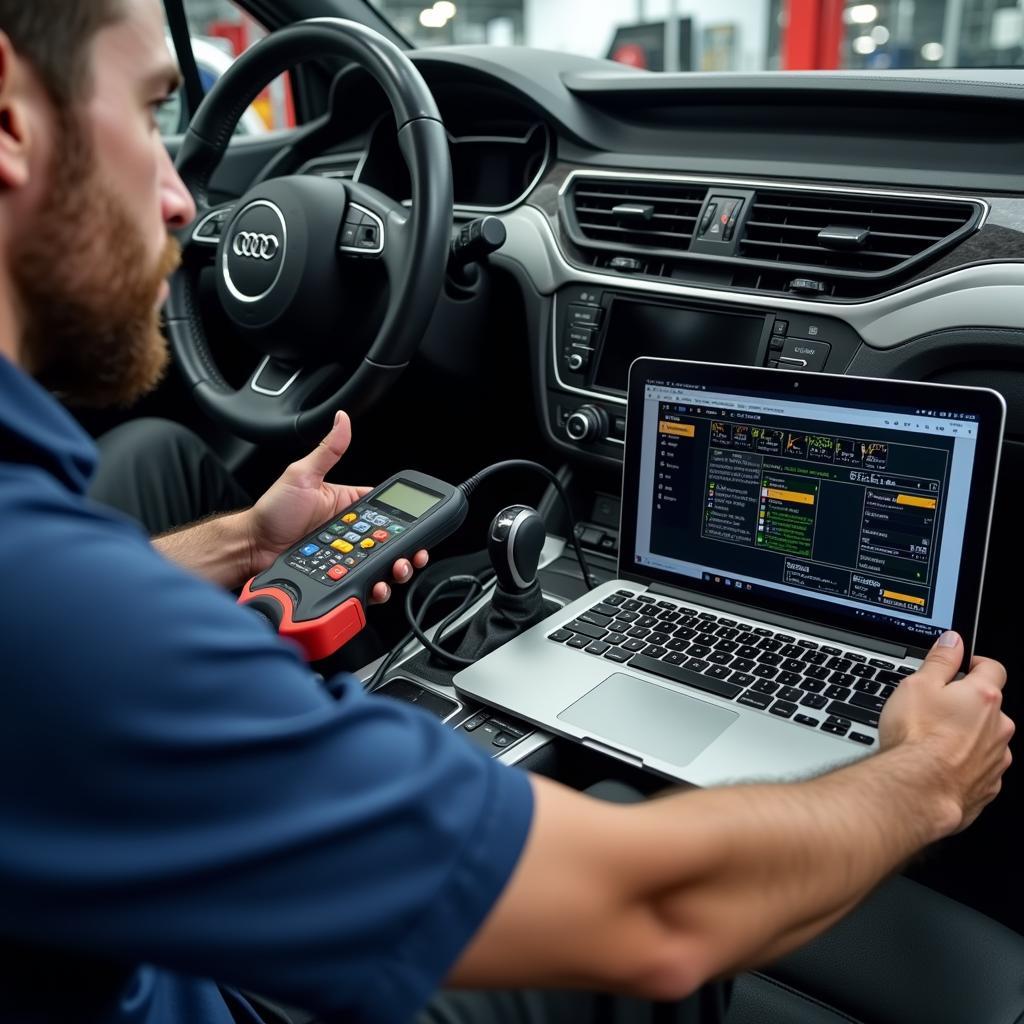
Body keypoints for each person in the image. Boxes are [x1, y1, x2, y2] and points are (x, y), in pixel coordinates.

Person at [0, 3, 1013, 1024]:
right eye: (151, 111)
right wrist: (923, 776)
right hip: (202, 993)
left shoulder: (46, 573)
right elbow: (656, 912)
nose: (181, 197)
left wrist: (247, 542)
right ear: (9, 118)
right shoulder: (60, 621)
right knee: (624, 817)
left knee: (161, 457)